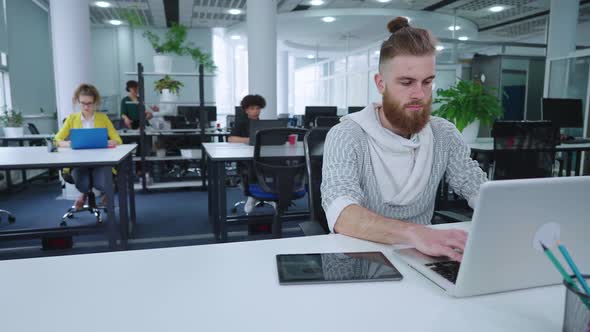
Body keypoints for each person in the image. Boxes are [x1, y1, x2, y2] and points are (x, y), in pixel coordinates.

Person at [321, 17, 487, 262]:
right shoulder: (347, 135)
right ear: (381, 83)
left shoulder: (444, 134)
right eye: (407, 82)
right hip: (356, 260)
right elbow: (341, 213)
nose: (419, 94)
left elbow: (475, 185)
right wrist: (415, 233)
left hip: (426, 257)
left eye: (427, 82)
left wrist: (508, 212)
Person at [55, 83, 123, 210]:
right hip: (79, 163)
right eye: (82, 103)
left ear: (95, 102)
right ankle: (84, 194)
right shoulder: (71, 118)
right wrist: (68, 143)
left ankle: (104, 193)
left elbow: (118, 139)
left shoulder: (103, 118)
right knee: (83, 184)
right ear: (78, 102)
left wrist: (109, 142)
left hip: (100, 162)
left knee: (103, 183)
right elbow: (56, 140)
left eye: (89, 103)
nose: (86, 107)